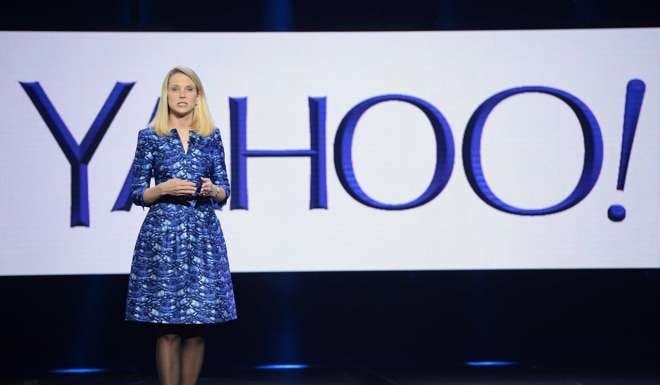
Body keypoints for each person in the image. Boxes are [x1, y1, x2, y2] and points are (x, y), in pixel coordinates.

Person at [124, 66, 237, 385]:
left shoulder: (210, 136)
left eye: (189, 89)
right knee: (168, 328)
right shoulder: (150, 137)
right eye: (175, 89)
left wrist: (212, 190)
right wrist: (162, 189)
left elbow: (225, 188)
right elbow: (136, 192)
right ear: (166, 95)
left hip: (202, 234)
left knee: (197, 328)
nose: (182, 95)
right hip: (163, 237)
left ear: (198, 95)